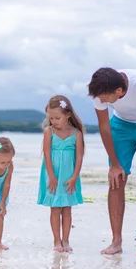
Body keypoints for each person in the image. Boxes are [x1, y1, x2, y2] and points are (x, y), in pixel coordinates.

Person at [87, 67, 136, 257]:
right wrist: (114, 164)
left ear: (119, 91)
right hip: (121, 126)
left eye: (105, 97)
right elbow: (104, 126)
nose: (101, 101)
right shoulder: (100, 89)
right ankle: (116, 241)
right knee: (116, 179)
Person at [37, 95, 85, 252]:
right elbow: (47, 155)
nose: (53, 121)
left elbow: (79, 157)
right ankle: (57, 241)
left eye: (57, 118)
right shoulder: (48, 132)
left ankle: (66, 240)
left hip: (69, 177)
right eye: (51, 118)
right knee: (55, 208)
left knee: (67, 209)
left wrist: (74, 178)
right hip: (53, 176)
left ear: (68, 115)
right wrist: (51, 176)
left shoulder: (76, 133)